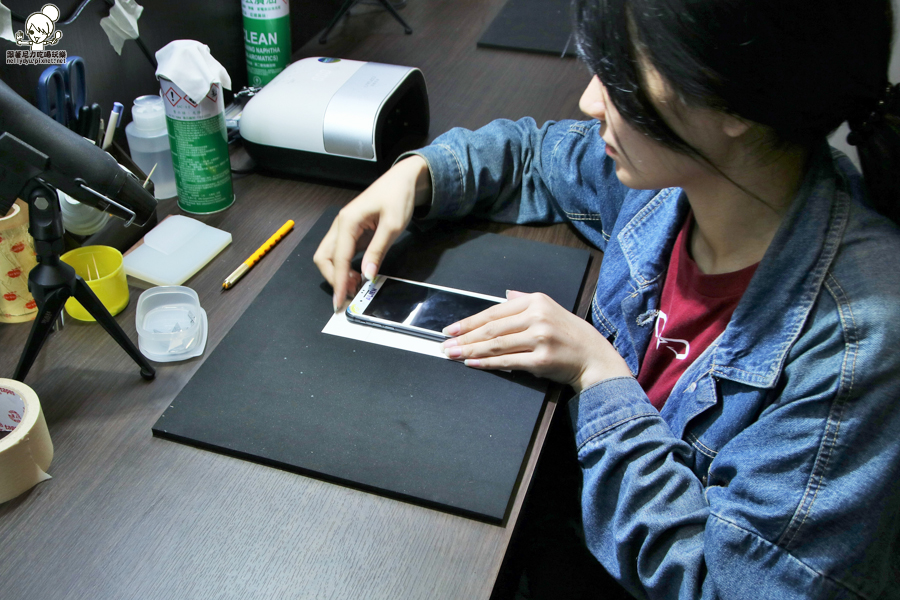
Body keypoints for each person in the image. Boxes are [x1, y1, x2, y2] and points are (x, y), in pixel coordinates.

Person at [315, 0, 900, 596]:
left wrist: (597, 375)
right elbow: (536, 152)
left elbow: (721, 584)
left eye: (619, 75)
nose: (589, 101)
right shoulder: (683, 181)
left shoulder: (857, 347)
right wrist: (417, 175)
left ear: (733, 101)